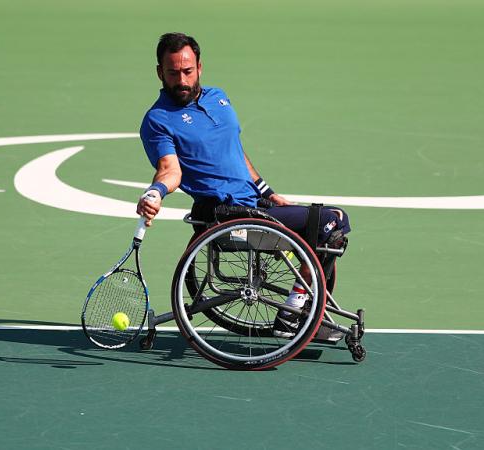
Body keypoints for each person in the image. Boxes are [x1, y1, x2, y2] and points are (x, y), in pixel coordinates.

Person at [136, 32, 350, 339]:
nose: (181, 81)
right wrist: (155, 192)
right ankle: (293, 315)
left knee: (327, 231)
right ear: (160, 72)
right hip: (229, 214)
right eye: (173, 73)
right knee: (332, 222)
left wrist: (269, 193)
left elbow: (235, 152)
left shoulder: (218, 98)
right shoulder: (157, 120)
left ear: (200, 67)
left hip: (256, 204)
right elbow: (170, 170)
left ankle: (308, 312)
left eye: (187, 71)